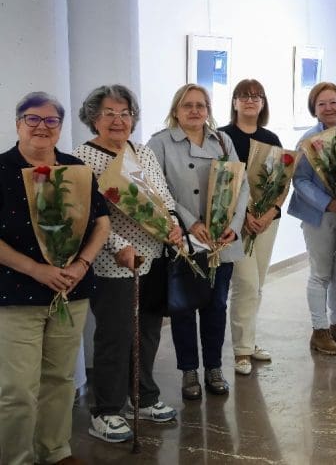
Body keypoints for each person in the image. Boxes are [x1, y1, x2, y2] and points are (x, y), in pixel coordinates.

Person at [0, 92, 111, 465]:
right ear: (18, 124)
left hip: (71, 288)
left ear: (60, 127)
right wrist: (37, 269)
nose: (41, 127)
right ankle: (16, 457)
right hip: (15, 293)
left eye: (51, 121)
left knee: (60, 378)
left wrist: (81, 265)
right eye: (33, 119)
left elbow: (102, 222)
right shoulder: (1, 169)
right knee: (17, 388)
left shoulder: (75, 169)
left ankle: (55, 450)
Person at [74, 85, 180, 443]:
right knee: (115, 335)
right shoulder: (82, 159)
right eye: (109, 114)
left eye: (125, 113)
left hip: (152, 256)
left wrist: (174, 228)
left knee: (148, 331)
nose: (118, 121)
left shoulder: (142, 151)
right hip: (113, 261)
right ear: (93, 118)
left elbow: (161, 196)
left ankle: (145, 395)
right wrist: (119, 246)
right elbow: (88, 215)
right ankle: (106, 410)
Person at [148, 84, 250, 399]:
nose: (194, 111)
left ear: (208, 109)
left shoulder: (222, 140)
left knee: (216, 305)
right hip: (184, 240)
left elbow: (241, 185)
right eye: (187, 105)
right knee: (183, 307)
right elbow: (157, 189)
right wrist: (189, 222)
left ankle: (214, 368)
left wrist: (234, 225)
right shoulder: (160, 143)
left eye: (200, 105)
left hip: (220, 241)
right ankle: (189, 371)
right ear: (175, 110)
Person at [288, 82, 336, 355]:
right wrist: (328, 202)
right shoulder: (307, 141)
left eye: (333, 102)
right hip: (318, 215)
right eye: (322, 104)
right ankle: (319, 330)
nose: (329, 108)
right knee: (320, 273)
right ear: (314, 110)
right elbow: (300, 180)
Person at [219, 80, 285, 375]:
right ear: (234, 102)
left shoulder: (271, 137)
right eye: (244, 96)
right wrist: (243, 214)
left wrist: (271, 211)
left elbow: (283, 180)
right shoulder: (222, 137)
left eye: (256, 96)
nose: (250, 100)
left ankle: (250, 340)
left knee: (257, 285)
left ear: (263, 103)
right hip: (235, 223)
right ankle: (242, 351)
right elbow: (221, 182)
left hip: (266, 222)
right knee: (244, 285)